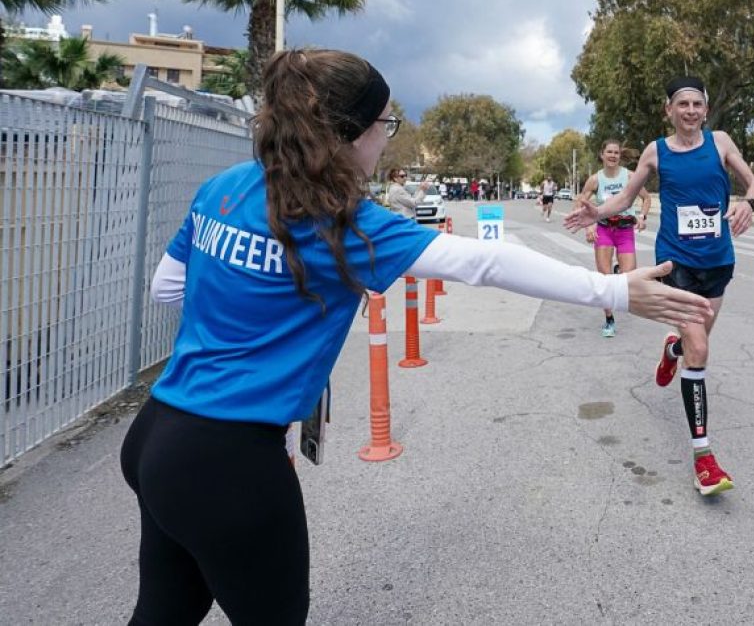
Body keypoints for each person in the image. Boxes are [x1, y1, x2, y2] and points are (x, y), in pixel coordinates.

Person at [119, 49, 711, 625]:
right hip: (231, 463)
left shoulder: (224, 186)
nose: (386, 138)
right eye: (386, 124)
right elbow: (484, 262)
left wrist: (259, 293)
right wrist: (613, 291)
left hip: (155, 437)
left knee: (167, 611)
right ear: (352, 133)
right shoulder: (343, 222)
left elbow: (167, 288)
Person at [565, 76, 754, 497]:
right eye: (682, 104)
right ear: (669, 110)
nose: (690, 111)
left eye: (697, 104)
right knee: (701, 349)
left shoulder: (721, 142)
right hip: (677, 261)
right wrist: (597, 213)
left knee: (692, 345)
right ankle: (704, 459)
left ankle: (672, 351)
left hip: (718, 261)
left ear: (705, 110)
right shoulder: (656, 151)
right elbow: (626, 198)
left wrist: (749, 203)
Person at [577, 139, 652, 337]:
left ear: (620, 155)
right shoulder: (595, 179)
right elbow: (581, 202)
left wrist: (642, 217)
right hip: (604, 229)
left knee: (630, 277)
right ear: (602, 155)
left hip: (625, 230)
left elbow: (646, 198)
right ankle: (609, 319)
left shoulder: (630, 176)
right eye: (609, 152)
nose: (613, 156)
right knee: (604, 278)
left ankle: (620, 272)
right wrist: (589, 226)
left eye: (616, 153)